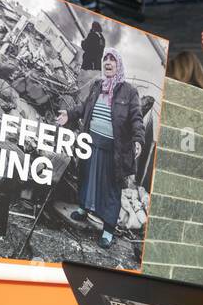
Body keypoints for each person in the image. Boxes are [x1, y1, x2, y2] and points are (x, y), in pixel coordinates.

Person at [56, 49, 143, 248]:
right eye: (106, 59)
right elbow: (84, 108)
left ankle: (108, 230)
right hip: (91, 143)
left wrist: (138, 139)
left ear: (118, 65)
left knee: (111, 189)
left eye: (112, 59)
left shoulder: (129, 91)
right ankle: (84, 209)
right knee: (86, 178)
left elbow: (136, 118)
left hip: (114, 150)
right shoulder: (97, 85)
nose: (108, 62)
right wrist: (69, 114)